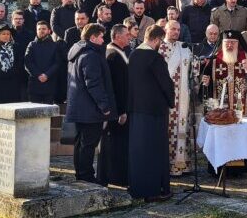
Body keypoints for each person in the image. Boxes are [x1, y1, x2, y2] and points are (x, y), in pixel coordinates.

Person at [127, 25, 175, 201]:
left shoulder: (133, 55)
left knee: (139, 150)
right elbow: (166, 84)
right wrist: (171, 101)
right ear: (156, 39)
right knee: (154, 151)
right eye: (160, 41)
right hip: (154, 111)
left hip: (136, 109)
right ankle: (155, 190)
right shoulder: (154, 58)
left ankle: (138, 188)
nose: (160, 45)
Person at [65, 23, 116, 183]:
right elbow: (93, 83)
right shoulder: (90, 56)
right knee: (88, 144)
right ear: (93, 37)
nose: (103, 40)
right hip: (90, 109)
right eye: (101, 37)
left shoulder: (78, 52)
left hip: (79, 107)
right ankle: (86, 176)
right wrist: (104, 106)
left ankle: (81, 174)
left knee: (81, 143)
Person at [158, 20, 193, 176]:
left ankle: (183, 163)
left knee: (183, 128)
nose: (176, 32)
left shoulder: (184, 48)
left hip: (183, 96)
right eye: (172, 29)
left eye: (178, 29)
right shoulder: (158, 48)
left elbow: (193, 69)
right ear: (165, 29)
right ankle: (167, 164)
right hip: (166, 97)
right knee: (167, 130)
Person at [98, 25, 131, 187]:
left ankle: (116, 175)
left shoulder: (115, 52)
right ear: (117, 36)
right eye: (126, 35)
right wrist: (122, 110)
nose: (129, 37)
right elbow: (117, 86)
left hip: (116, 108)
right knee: (113, 144)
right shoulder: (113, 55)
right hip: (116, 110)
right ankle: (114, 176)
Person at [0, 24, 25, 104]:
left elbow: (20, 63)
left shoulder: (17, 47)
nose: (6, 36)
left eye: (8, 34)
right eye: (3, 34)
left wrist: (11, 73)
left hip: (13, 81)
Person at [23, 21, 60, 104]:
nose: (41, 31)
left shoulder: (55, 45)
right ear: (36, 31)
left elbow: (57, 63)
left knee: (48, 113)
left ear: (49, 31)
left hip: (50, 84)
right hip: (34, 84)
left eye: (44, 29)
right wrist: (38, 75)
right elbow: (27, 62)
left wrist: (47, 75)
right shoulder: (31, 45)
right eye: (39, 29)